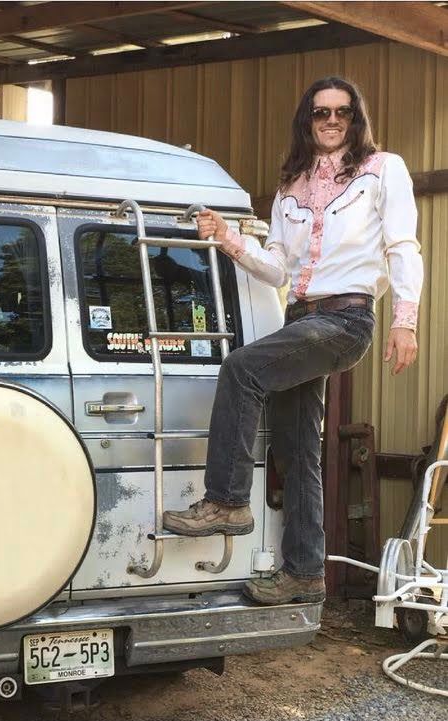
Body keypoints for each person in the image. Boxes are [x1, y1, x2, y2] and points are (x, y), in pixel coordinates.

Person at [162, 76, 422, 605]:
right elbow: (278, 269)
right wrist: (228, 238)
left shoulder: (383, 169)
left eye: (343, 112)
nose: (332, 120)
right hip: (300, 319)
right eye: (321, 112)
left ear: (356, 119)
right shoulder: (289, 189)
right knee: (299, 451)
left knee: (242, 368)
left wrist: (405, 320)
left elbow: (402, 245)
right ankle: (304, 572)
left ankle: (226, 501)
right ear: (308, 120)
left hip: (345, 320)